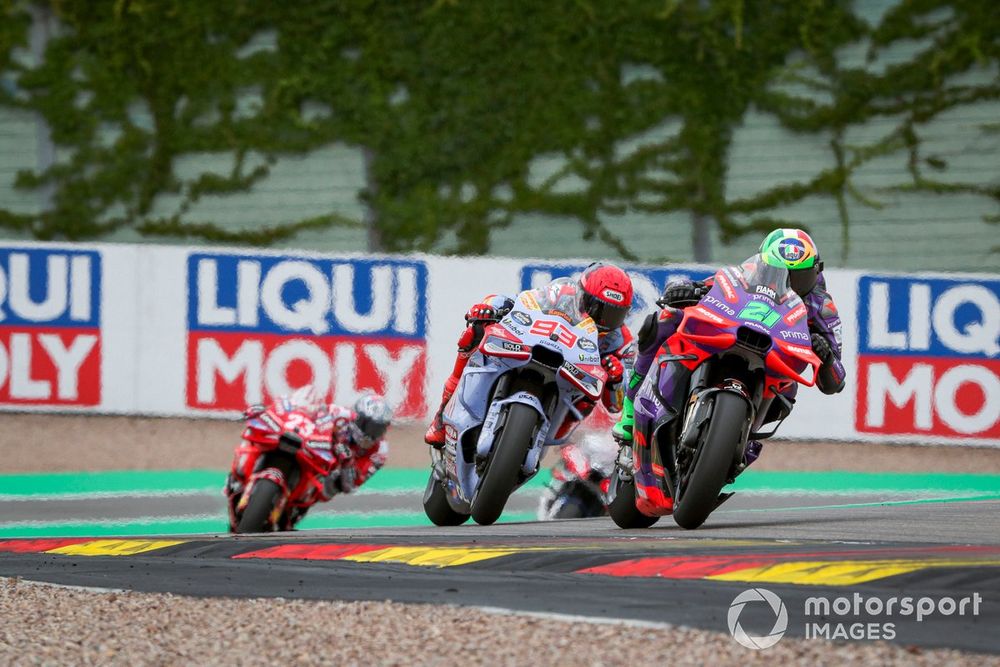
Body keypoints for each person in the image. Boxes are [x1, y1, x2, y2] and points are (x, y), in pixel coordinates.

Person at [611, 228, 846, 515]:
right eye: (781, 272)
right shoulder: (745, 275)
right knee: (662, 321)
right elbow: (710, 289)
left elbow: (836, 381)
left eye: (800, 277)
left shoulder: (822, 307)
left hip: (774, 365)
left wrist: (825, 353)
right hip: (728, 336)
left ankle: (734, 451)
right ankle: (630, 412)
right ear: (763, 263)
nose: (791, 284)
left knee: (787, 392)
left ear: (815, 272)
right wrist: (690, 291)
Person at [424, 261, 637, 447]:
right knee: (474, 333)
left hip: (569, 388)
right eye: (596, 307)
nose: (602, 318)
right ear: (582, 296)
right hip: (532, 349)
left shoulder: (621, 341)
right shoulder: (562, 295)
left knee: (590, 399)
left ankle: (541, 438)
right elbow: (520, 301)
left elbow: (617, 405)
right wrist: (491, 308)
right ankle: (442, 417)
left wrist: (615, 379)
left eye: (613, 314)